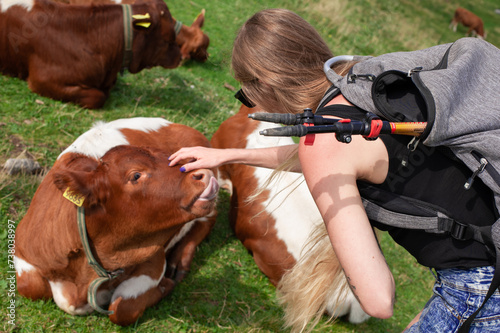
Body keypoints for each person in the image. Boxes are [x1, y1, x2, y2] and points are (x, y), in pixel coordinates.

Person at [168, 8, 500, 332]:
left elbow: (379, 300)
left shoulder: (323, 145)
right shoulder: (365, 77)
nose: (252, 103)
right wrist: (227, 155)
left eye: (247, 93)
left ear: (266, 84)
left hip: (480, 290)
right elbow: (350, 156)